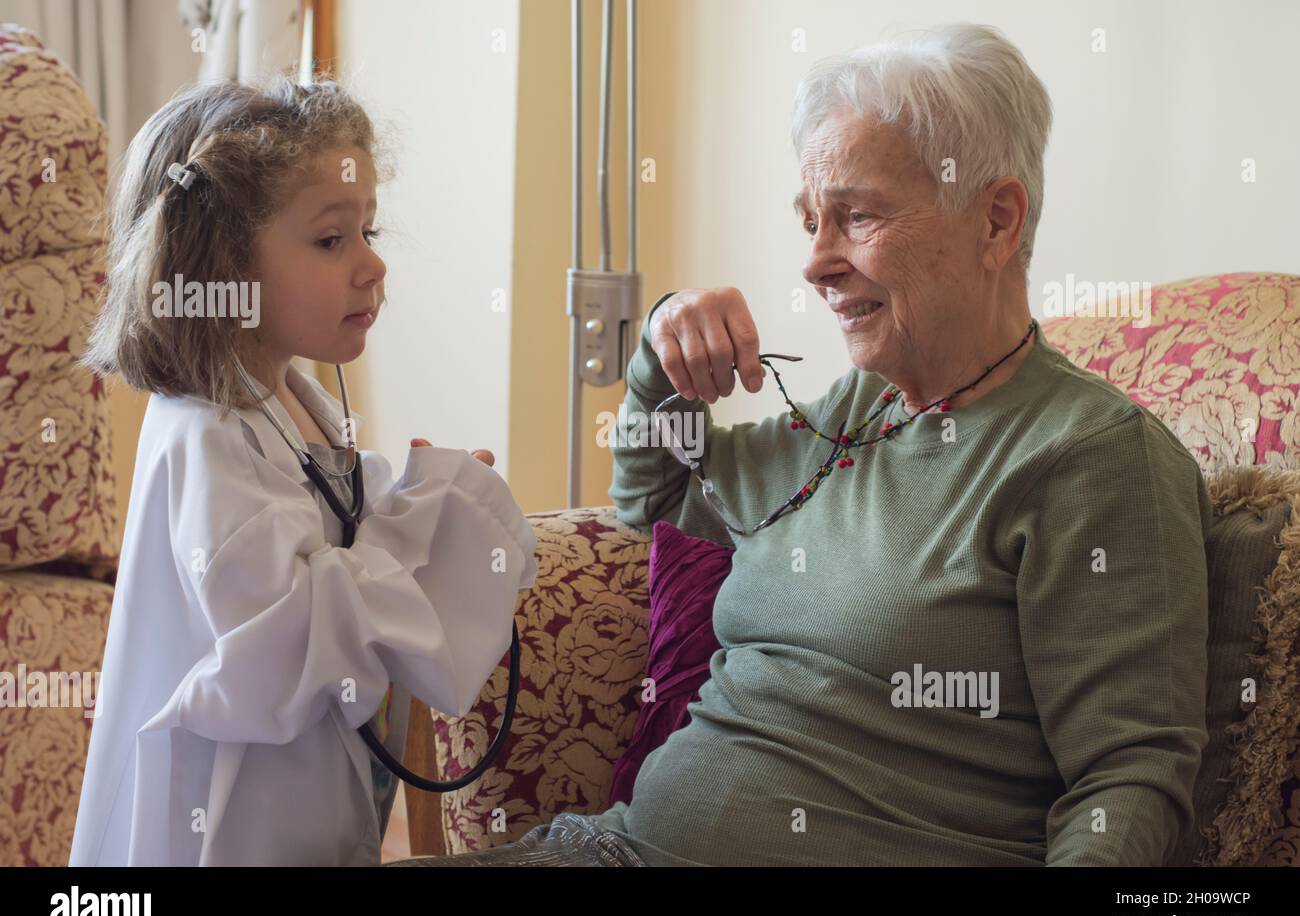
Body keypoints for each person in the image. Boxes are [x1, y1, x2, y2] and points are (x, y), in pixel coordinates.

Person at [392, 23, 1210, 867]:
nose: (817, 263)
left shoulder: (1093, 457)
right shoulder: (855, 412)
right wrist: (662, 354)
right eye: (810, 220)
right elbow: (660, 501)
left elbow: (1129, 778)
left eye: (856, 216)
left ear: (996, 220)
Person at [70, 76, 537, 866]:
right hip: (225, 828)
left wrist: (427, 511)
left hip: (310, 807)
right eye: (331, 240)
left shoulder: (293, 397)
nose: (372, 265)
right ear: (221, 265)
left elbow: (341, 539)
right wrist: (429, 532)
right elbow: (282, 642)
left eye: (369, 230)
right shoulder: (204, 433)